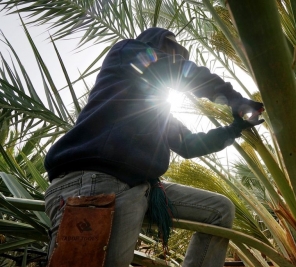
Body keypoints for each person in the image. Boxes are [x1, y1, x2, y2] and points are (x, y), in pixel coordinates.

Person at [44, 27, 264, 267]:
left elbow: (189, 145)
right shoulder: (126, 51)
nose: (174, 57)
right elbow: (171, 68)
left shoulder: (159, 113)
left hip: (141, 186)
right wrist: (232, 98)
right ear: (152, 44)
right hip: (97, 180)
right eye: (169, 50)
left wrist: (234, 129)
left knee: (219, 210)